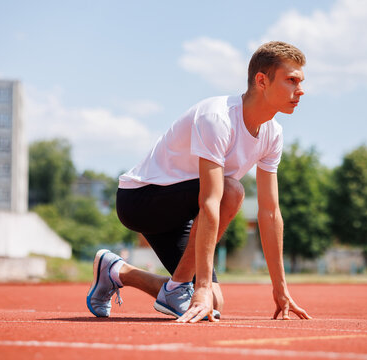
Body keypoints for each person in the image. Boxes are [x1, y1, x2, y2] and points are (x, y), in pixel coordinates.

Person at [86, 41, 312, 323]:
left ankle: (117, 271)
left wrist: (281, 290)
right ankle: (182, 286)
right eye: (292, 80)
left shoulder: (273, 134)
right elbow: (210, 201)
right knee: (232, 190)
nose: (300, 90)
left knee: (215, 302)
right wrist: (200, 287)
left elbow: (270, 213)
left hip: (183, 213)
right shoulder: (218, 118)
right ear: (262, 80)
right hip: (141, 199)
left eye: (301, 81)